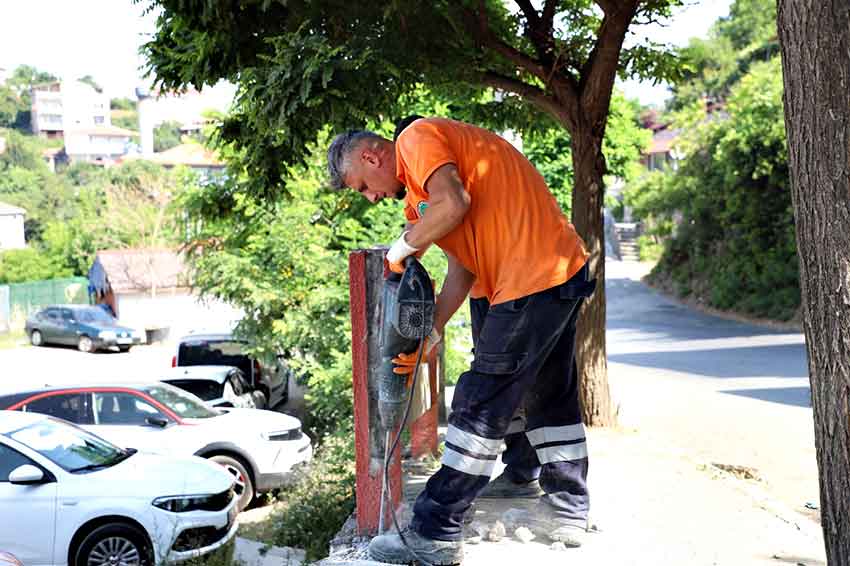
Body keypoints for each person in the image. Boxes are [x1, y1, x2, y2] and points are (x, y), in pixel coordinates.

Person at [327, 117, 595, 565]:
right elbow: (462, 267)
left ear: (372, 157)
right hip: (549, 271)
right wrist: (431, 334)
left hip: (531, 273)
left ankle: (436, 529)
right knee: (549, 392)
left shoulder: (416, 139)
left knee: (480, 398)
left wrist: (400, 250)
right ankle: (564, 505)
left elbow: (455, 204)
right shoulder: (419, 200)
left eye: (362, 187)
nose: (371, 197)